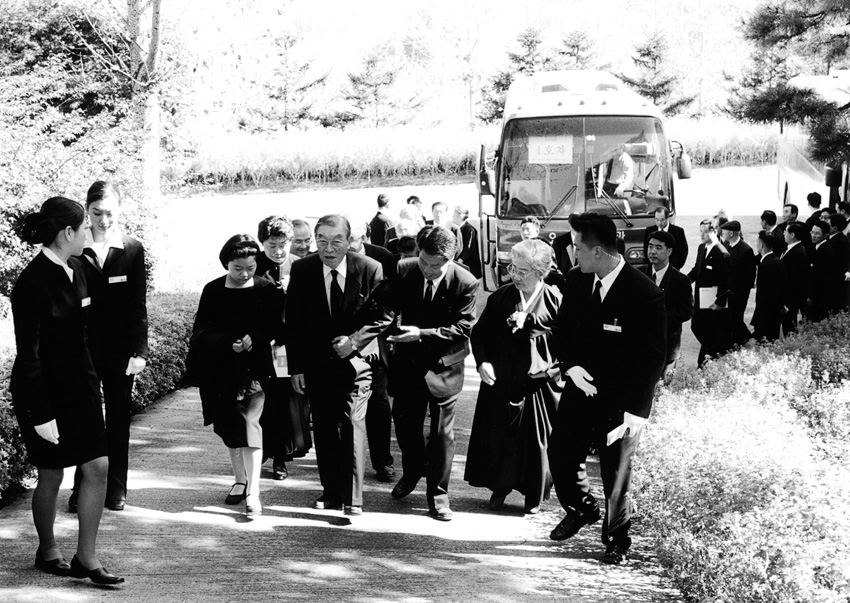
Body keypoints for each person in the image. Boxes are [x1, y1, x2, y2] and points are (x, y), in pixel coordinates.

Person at [11, 197, 123, 583]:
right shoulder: (30, 284)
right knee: (52, 473)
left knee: (99, 467)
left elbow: (88, 331)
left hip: (81, 388)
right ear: (67, 232)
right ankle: (47, 549)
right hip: (43, 392)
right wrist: (41, 413)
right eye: (85, 226)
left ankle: (86, 558)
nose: (91, 231)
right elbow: (29, 355)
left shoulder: (79, 267)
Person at [548, 212, 666, 566]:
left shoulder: (644, 293)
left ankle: (617, 539)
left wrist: (637, 412)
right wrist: (570, 366)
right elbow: (561, 330)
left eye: (577, 247)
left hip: (621, 400)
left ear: (597, 251)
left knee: (616, 472)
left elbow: (652, 358)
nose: (573, 253)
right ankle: (581, 507)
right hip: (580, 388)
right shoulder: (576, 279)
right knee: (561, 452)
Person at [285, 215, 391, 516]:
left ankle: (352, 498)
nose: (328, 249)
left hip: (357, 365)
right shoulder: (303, 269)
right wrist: (296, 367)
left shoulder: (369, 268)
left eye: (336, 241)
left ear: (349, 240)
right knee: (325, 427)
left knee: (353, 424)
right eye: (322, 241)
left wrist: (354, 341)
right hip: (317, 365)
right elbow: (294, 322)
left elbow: (384, 315)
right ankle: (331, 491)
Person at [385, 226, 479, 522]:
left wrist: (420, 334)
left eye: (434, 265)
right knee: (405, 427)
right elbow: (388, 309)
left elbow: (462, 329)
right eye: (423, 261)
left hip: (444, 367)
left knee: (441, 436)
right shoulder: (404, 269)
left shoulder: (465, 281)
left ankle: (439, 495)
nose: (426, 269)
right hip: (408, 366)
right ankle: (413, 471)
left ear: (450, 260)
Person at [66, 182, 148, 514]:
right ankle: (81, 488)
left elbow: (137, 304)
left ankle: (115, 488)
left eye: (110, 213)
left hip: (120, 351)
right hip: (83, 350)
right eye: (96, 213)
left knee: (117, 419)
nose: (103, 220)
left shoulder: (132, 249)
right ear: (87, 211)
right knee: (85, 420)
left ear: (120, 211)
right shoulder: (75, 248)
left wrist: (140, 351)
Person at [464, 239, 561, 514]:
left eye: (522, 271)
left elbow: (569, 342)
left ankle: (533, 494)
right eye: (512, 268)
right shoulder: (502, 297)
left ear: (540, 272)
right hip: (502, 378)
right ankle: (500, 486)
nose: (514, 276)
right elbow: (479, 334)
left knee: (536, 439)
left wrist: (551, 369)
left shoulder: (556, 300)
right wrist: (482, 363)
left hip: (539, 382)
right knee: (500, 435)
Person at [187, 235, 281, 517]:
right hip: (222, 369)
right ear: (226, 263)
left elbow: (276, 327)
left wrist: (255, 338)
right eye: (238, 268)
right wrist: (227, 342)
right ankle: (240, 480)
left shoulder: (266, 289)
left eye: (250, 268)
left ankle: (254, 492)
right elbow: (201, 330)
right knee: (229, 426)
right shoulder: (213, 290)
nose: (244, 274)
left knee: (250, 423)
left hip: (255, 369)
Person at [254, 216, 312, 482]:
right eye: (271, 245)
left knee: (288, 403)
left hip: (291, 345)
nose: (278, 251)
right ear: (262, 243)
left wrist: (292, 292)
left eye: (283, 245)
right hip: (262, 344)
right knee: (263, 402)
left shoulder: (301, 266)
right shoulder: (253, 265)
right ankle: (260, 452)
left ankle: (281, 456)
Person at [348, 220, 396, 482]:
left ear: (364, 237)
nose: (347, 245)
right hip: (340, 344)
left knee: (378, 403)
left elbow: (390, 305)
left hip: (374, 343)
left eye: (352, 239)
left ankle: (383, 462)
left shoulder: (382, 257)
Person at [641, 230, 694, 381]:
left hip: (668, 345)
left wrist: (660, 318)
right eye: (650, 246)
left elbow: (686, 311)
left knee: (664, 386)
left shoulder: (681, 280)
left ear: (669, 251)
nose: (652, 251)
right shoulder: (639, 275)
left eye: (658, 248)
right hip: (642, 345)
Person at [688, 219, 731, 367]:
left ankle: (704, 362)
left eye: (705, 232)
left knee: (709, 331)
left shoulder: (722, 253)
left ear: (714, 231)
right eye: (700, 231)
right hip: (700, 299)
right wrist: (685, 281)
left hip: (712, 302)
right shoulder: (702, 248)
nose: (702, 235)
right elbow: (697, 269)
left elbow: (725, 281)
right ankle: (715, 350)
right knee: (696, 326)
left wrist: (719, 302)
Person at [719, 220, 756, 346]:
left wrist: (741, 291)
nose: (722, 233)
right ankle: (743, 337)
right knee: (731, 317)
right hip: (727, 290)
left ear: (731, 233)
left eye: (724, 231)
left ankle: (740, 340)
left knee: (736, 317)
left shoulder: (746, 250)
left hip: (739, 292)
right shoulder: (726, 245)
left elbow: (750, 274)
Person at [751, 231, 788, 341]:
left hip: (766, 315)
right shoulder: (777, 261)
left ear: (762, 244)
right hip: (775, 313)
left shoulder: (765, 265)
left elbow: (764, 294)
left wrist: (758, 317)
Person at [780, 222, 810, 335]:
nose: (784, 233)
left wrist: (786, 298)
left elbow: (795, 278)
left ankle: (791, 342)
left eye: (785, 231)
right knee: (787, 322)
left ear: (792, 235)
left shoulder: (797, 252)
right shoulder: (791, 248)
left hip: (791, 295)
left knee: (789, 323)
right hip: (789, 294)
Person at [806, 220, 835, 323]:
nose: (813, 236)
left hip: (819, 297)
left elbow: (820, 277)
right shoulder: (817, 248)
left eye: (817, 233)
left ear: (825, 235)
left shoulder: (825, 251)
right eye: (812, 232)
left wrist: (812, 296)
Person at [452, 205, 482, 279]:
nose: (452, 216)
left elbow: (469, 247)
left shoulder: (469, 229)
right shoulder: (456, 229)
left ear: (459, 216)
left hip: (468, 265)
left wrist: (460, 260)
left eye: (454, 215)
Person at [827, 214, 850, 311]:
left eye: (828, 224)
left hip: (835, 281)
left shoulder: (838, 242)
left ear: (835, 228)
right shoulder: (837, 238)